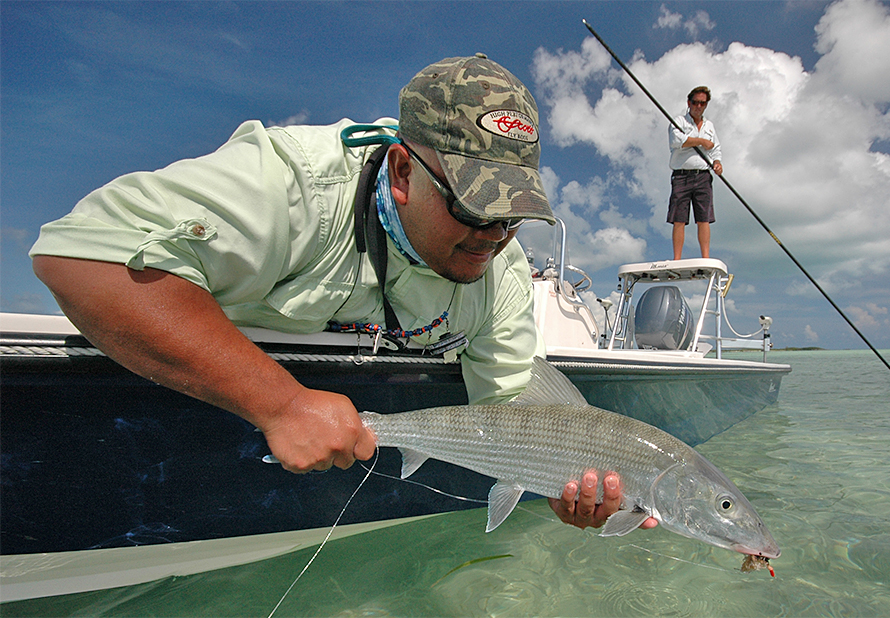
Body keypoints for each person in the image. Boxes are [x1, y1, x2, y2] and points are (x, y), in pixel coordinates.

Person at [30, 54, 654, 532]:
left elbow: (523, 424)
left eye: (511, 216)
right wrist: (278, 402)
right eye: (473, 206)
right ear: (404, 171)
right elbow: (80, 257)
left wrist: (564, 487)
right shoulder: (296, 183)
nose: (492, 237)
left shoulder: (503, 276)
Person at [667, 85, 723, 260]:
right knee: (679, 218)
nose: (699, 106)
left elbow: (716, 149)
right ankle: (677, 259)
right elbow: (677, 141)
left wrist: (717, 163)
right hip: (681, 175)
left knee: (704, 218)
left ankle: (705, 257)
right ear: (689, 103)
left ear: (706, 105)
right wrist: (701, 142)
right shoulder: (679, 121)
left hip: (703, 176)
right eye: (695, 102)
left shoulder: (710, 126)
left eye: (703, 103)